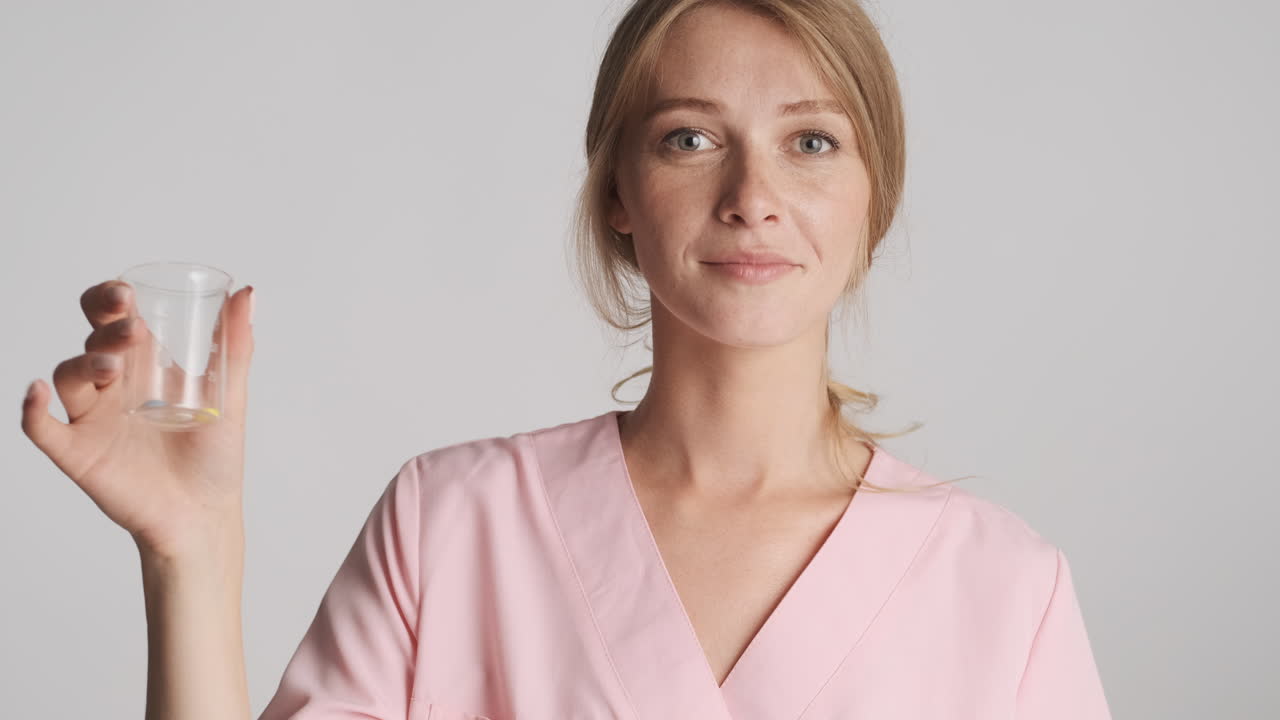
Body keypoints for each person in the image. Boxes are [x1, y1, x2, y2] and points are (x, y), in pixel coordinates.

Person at [20, 1, 1112, 718]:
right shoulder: (449, 524)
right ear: (617, 197)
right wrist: (191, 550)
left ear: (873, 197)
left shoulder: (1002, 590)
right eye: (688, 137)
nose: (751, 197)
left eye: (811, 142)